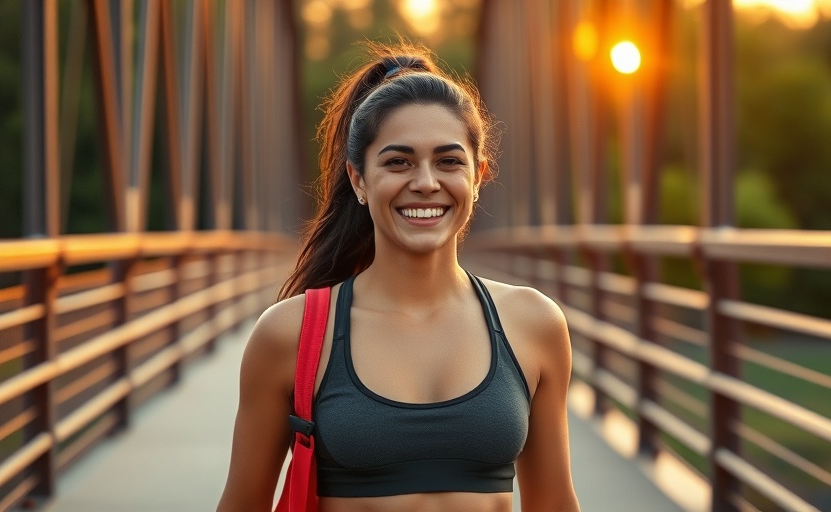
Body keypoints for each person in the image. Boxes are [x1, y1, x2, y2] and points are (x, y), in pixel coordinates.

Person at [217, 43, 580, 512]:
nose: (426, 182)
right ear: (358, 179)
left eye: (449, 161)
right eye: (398, 162)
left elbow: (553, 503)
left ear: (479, 175)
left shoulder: (534, 324)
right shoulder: (291, 333)